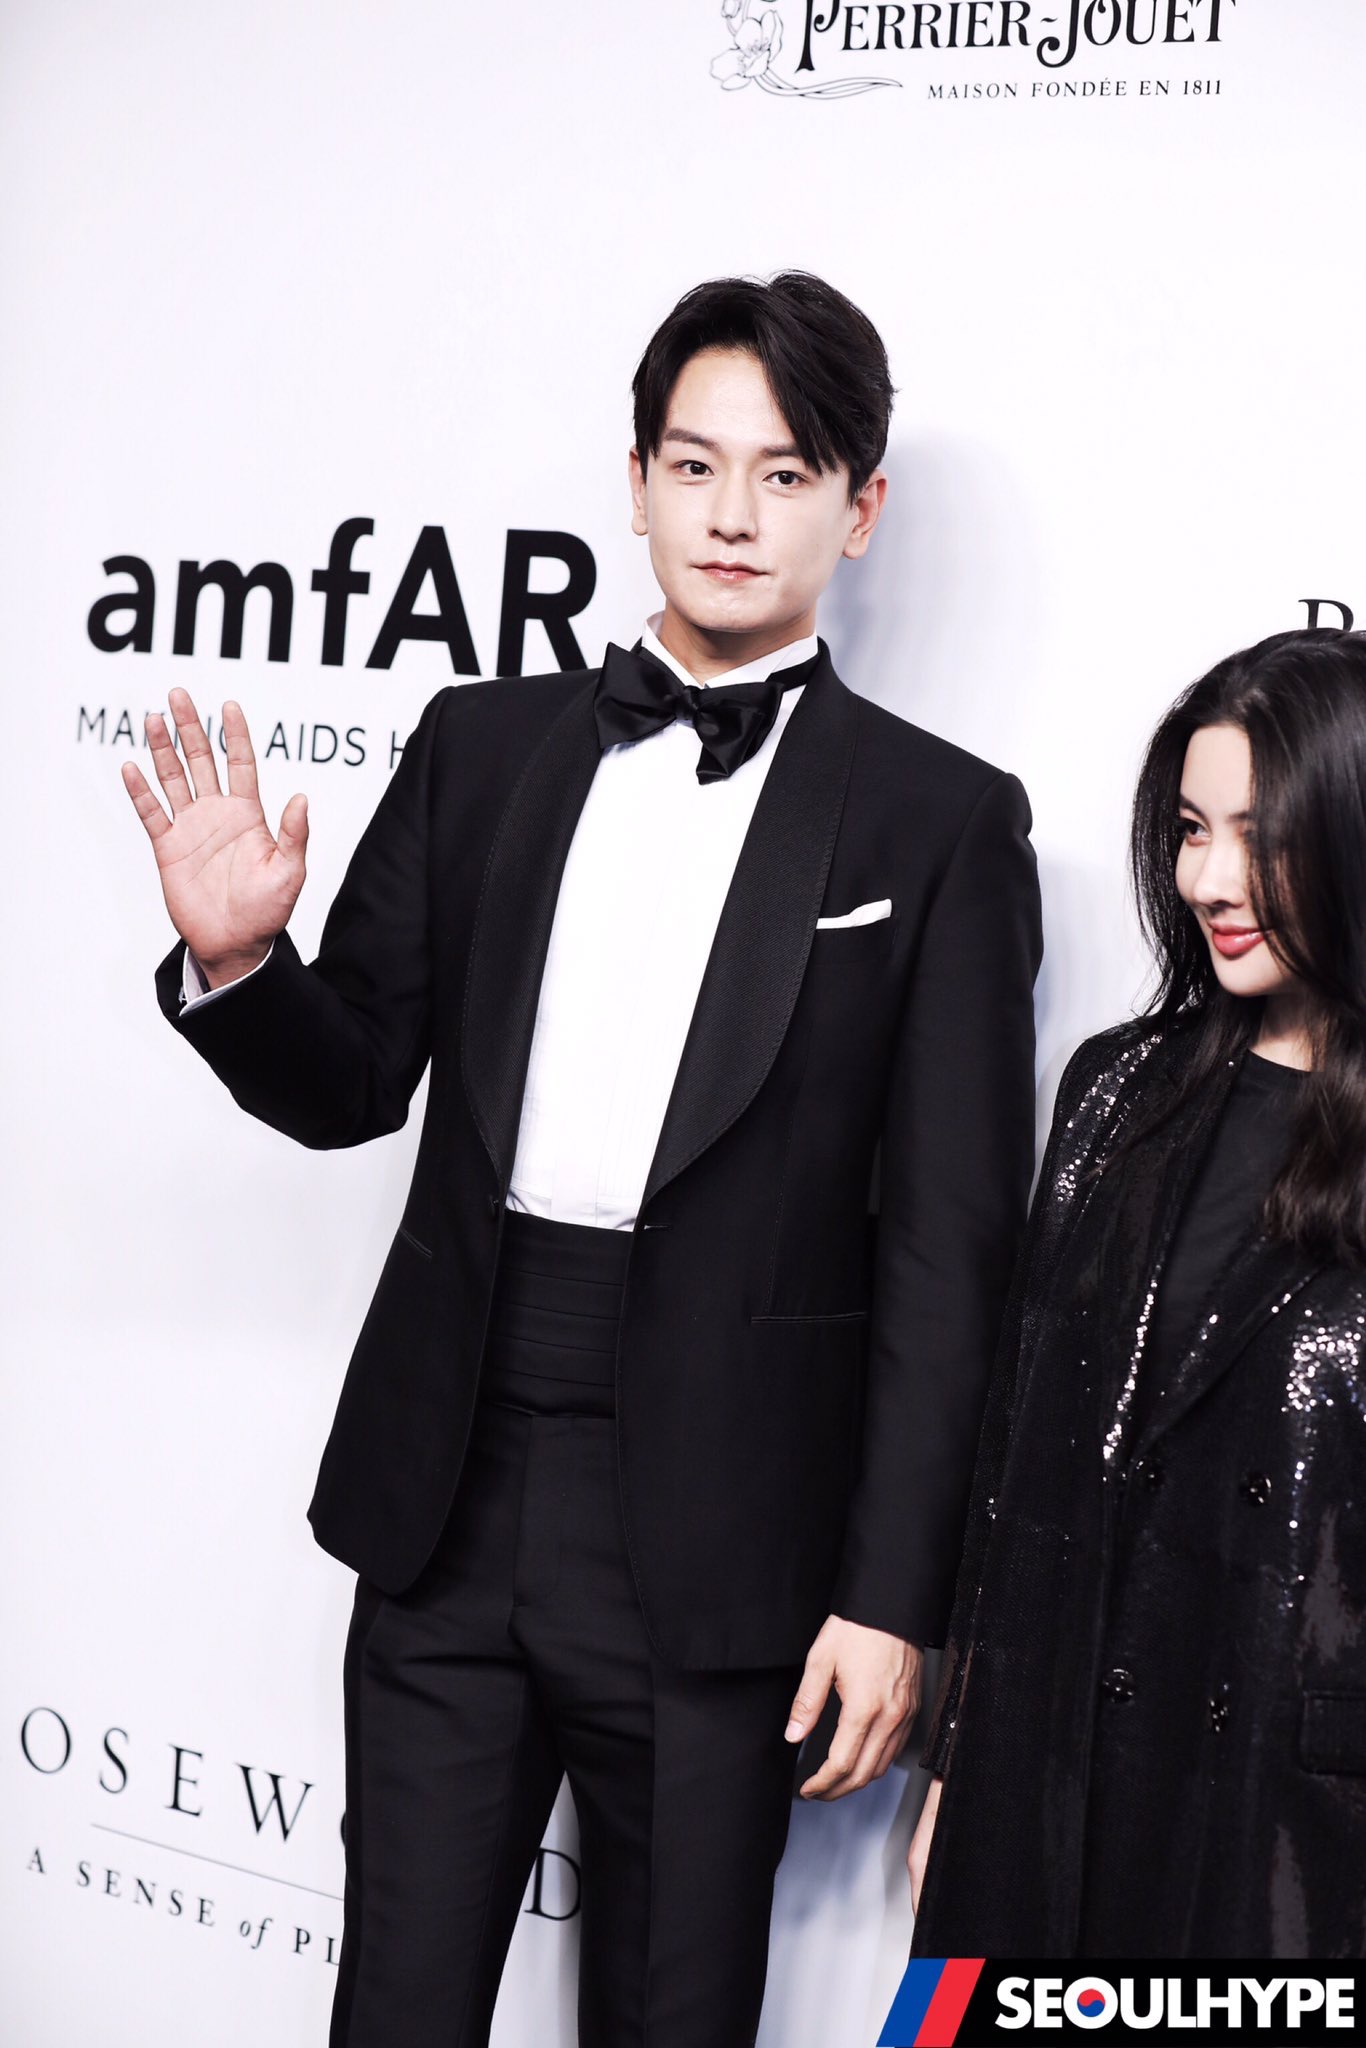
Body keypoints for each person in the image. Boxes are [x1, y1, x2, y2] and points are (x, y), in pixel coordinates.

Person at [123, 270, 1042, 2045]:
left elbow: (948, 1258)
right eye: (694, 465)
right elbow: (349, 1082)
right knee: (394, 2008)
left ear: (858, 510)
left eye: (784, 474)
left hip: (726, 1546)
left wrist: (891, 1602)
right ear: (634, 483)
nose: (730, 513)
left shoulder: (941, 823)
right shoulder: (481, 746)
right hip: (445, 1503)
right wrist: (241, 965)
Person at [908, 626, 1366, 1960]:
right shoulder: (1113, 1090)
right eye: (1190, 830)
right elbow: (1016, 1460)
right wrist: (959, 1761)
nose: (1210, 881)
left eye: (1260, 839)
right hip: (1039, 1792)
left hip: (1286, 1845)